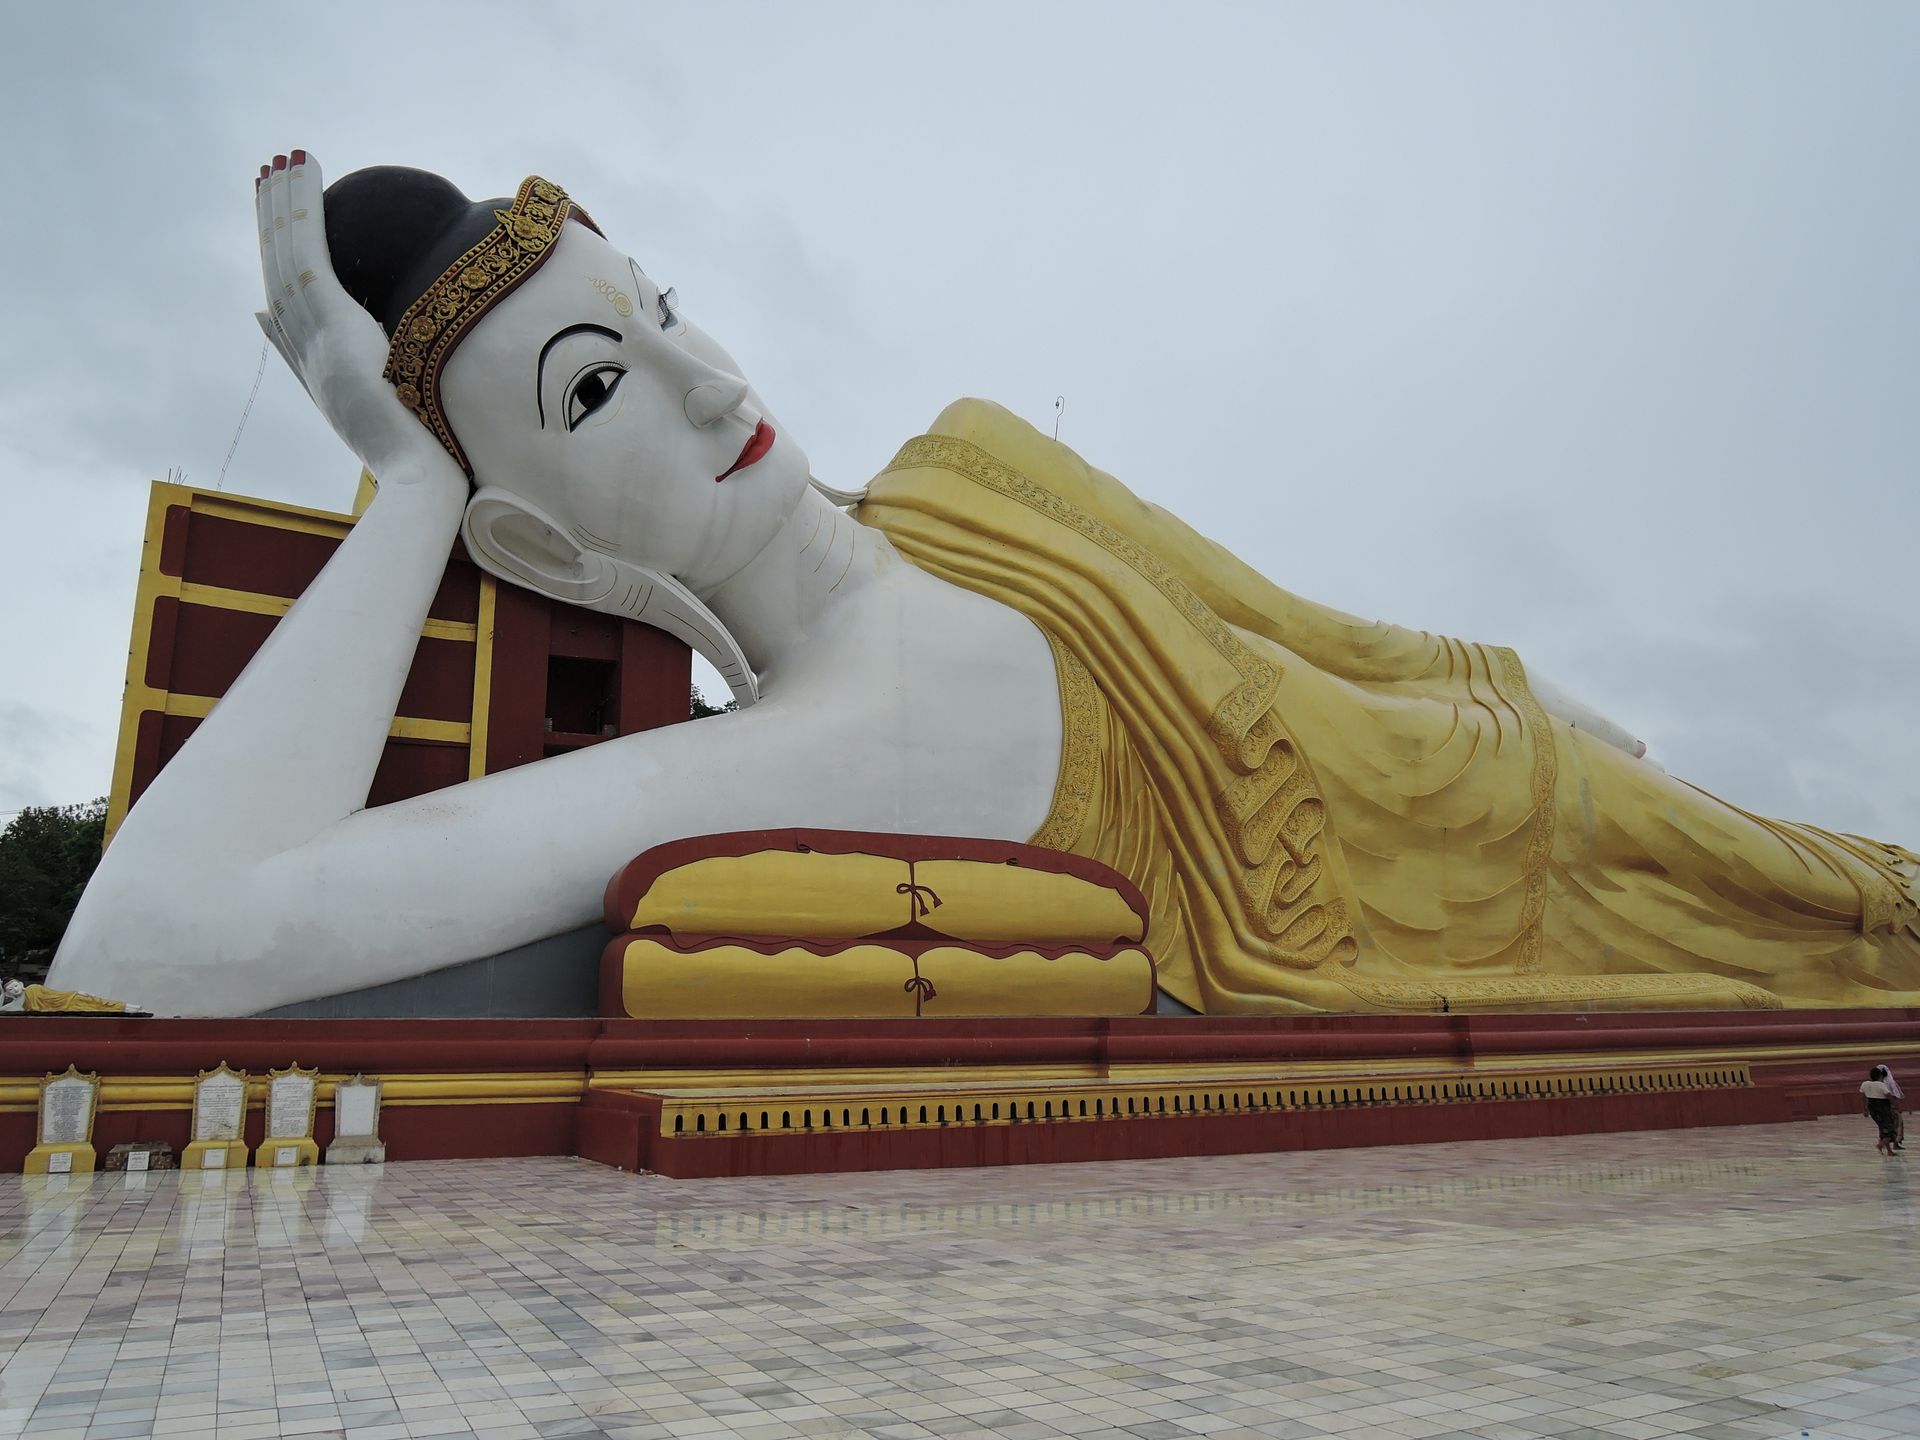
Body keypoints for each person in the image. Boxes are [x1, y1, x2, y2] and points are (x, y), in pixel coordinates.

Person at [40, 154, 1920, 1017]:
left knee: (1864, 904)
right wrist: (405, 491)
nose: (709, 386)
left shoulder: (970, 463)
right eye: (596, 392)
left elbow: (1277, 614)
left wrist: (1504, 682)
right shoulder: (827, 746)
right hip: (1439, 935)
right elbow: (155, 946)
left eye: (662, 317)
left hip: (1490, 764)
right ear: (537, 537)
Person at [1863, 1067, 1902, 1155]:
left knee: (1882, 1129)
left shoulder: (1865, 1084)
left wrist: (1865, 1109)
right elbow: (1889, 1096)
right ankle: (1880, 1145)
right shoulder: (1881, 1085)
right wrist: (1897, 1106)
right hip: (1883, 1108)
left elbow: (1864, 1096)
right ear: (1880, 1076)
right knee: (1891, 1130)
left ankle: (1889, 1151)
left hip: (1872, 1108)